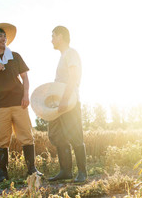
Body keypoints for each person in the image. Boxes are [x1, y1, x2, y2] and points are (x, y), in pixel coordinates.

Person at [0, 23, 43, 183]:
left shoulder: (15, 56)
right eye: (0, 35)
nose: (3, 38)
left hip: (19, 102)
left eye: (4, 35)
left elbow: (25, 78)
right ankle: (2, 174)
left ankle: (32, 170)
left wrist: (26, 95)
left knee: (27, 135)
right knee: (1, 139)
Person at [47, 26, 87, 183]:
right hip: (59, 102)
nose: (51, 40)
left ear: (60, 37)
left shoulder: (71, 53)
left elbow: (73, 77)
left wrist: (64, 99)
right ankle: (65, 171)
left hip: (69, 101)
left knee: (75, 134)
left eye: (53, 36)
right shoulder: (63, 55)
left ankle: (82, 172)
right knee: (56, 134)